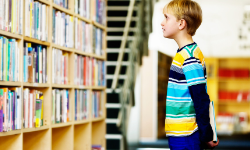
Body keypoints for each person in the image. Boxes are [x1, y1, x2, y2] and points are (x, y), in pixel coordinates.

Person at [161, 0, 220, 149]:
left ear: (181, 23)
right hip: (180, 133)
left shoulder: (189, 57)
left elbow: (200, 98)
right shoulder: (185, 53)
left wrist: (207, 134)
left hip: (186, 135)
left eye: (166, 18)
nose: (162, 23)